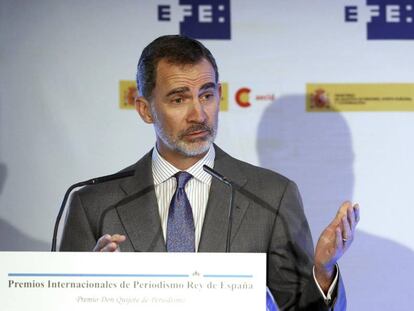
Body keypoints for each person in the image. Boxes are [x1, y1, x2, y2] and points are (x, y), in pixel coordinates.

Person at [60, 35, 359, 310]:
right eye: (179, 99)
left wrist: (323, 272)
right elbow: (59, 304)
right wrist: (85, 288)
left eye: (206, 95)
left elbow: (296, 308)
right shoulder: (93, 204)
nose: (198, 114)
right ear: (145, 109)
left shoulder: (271, 195)